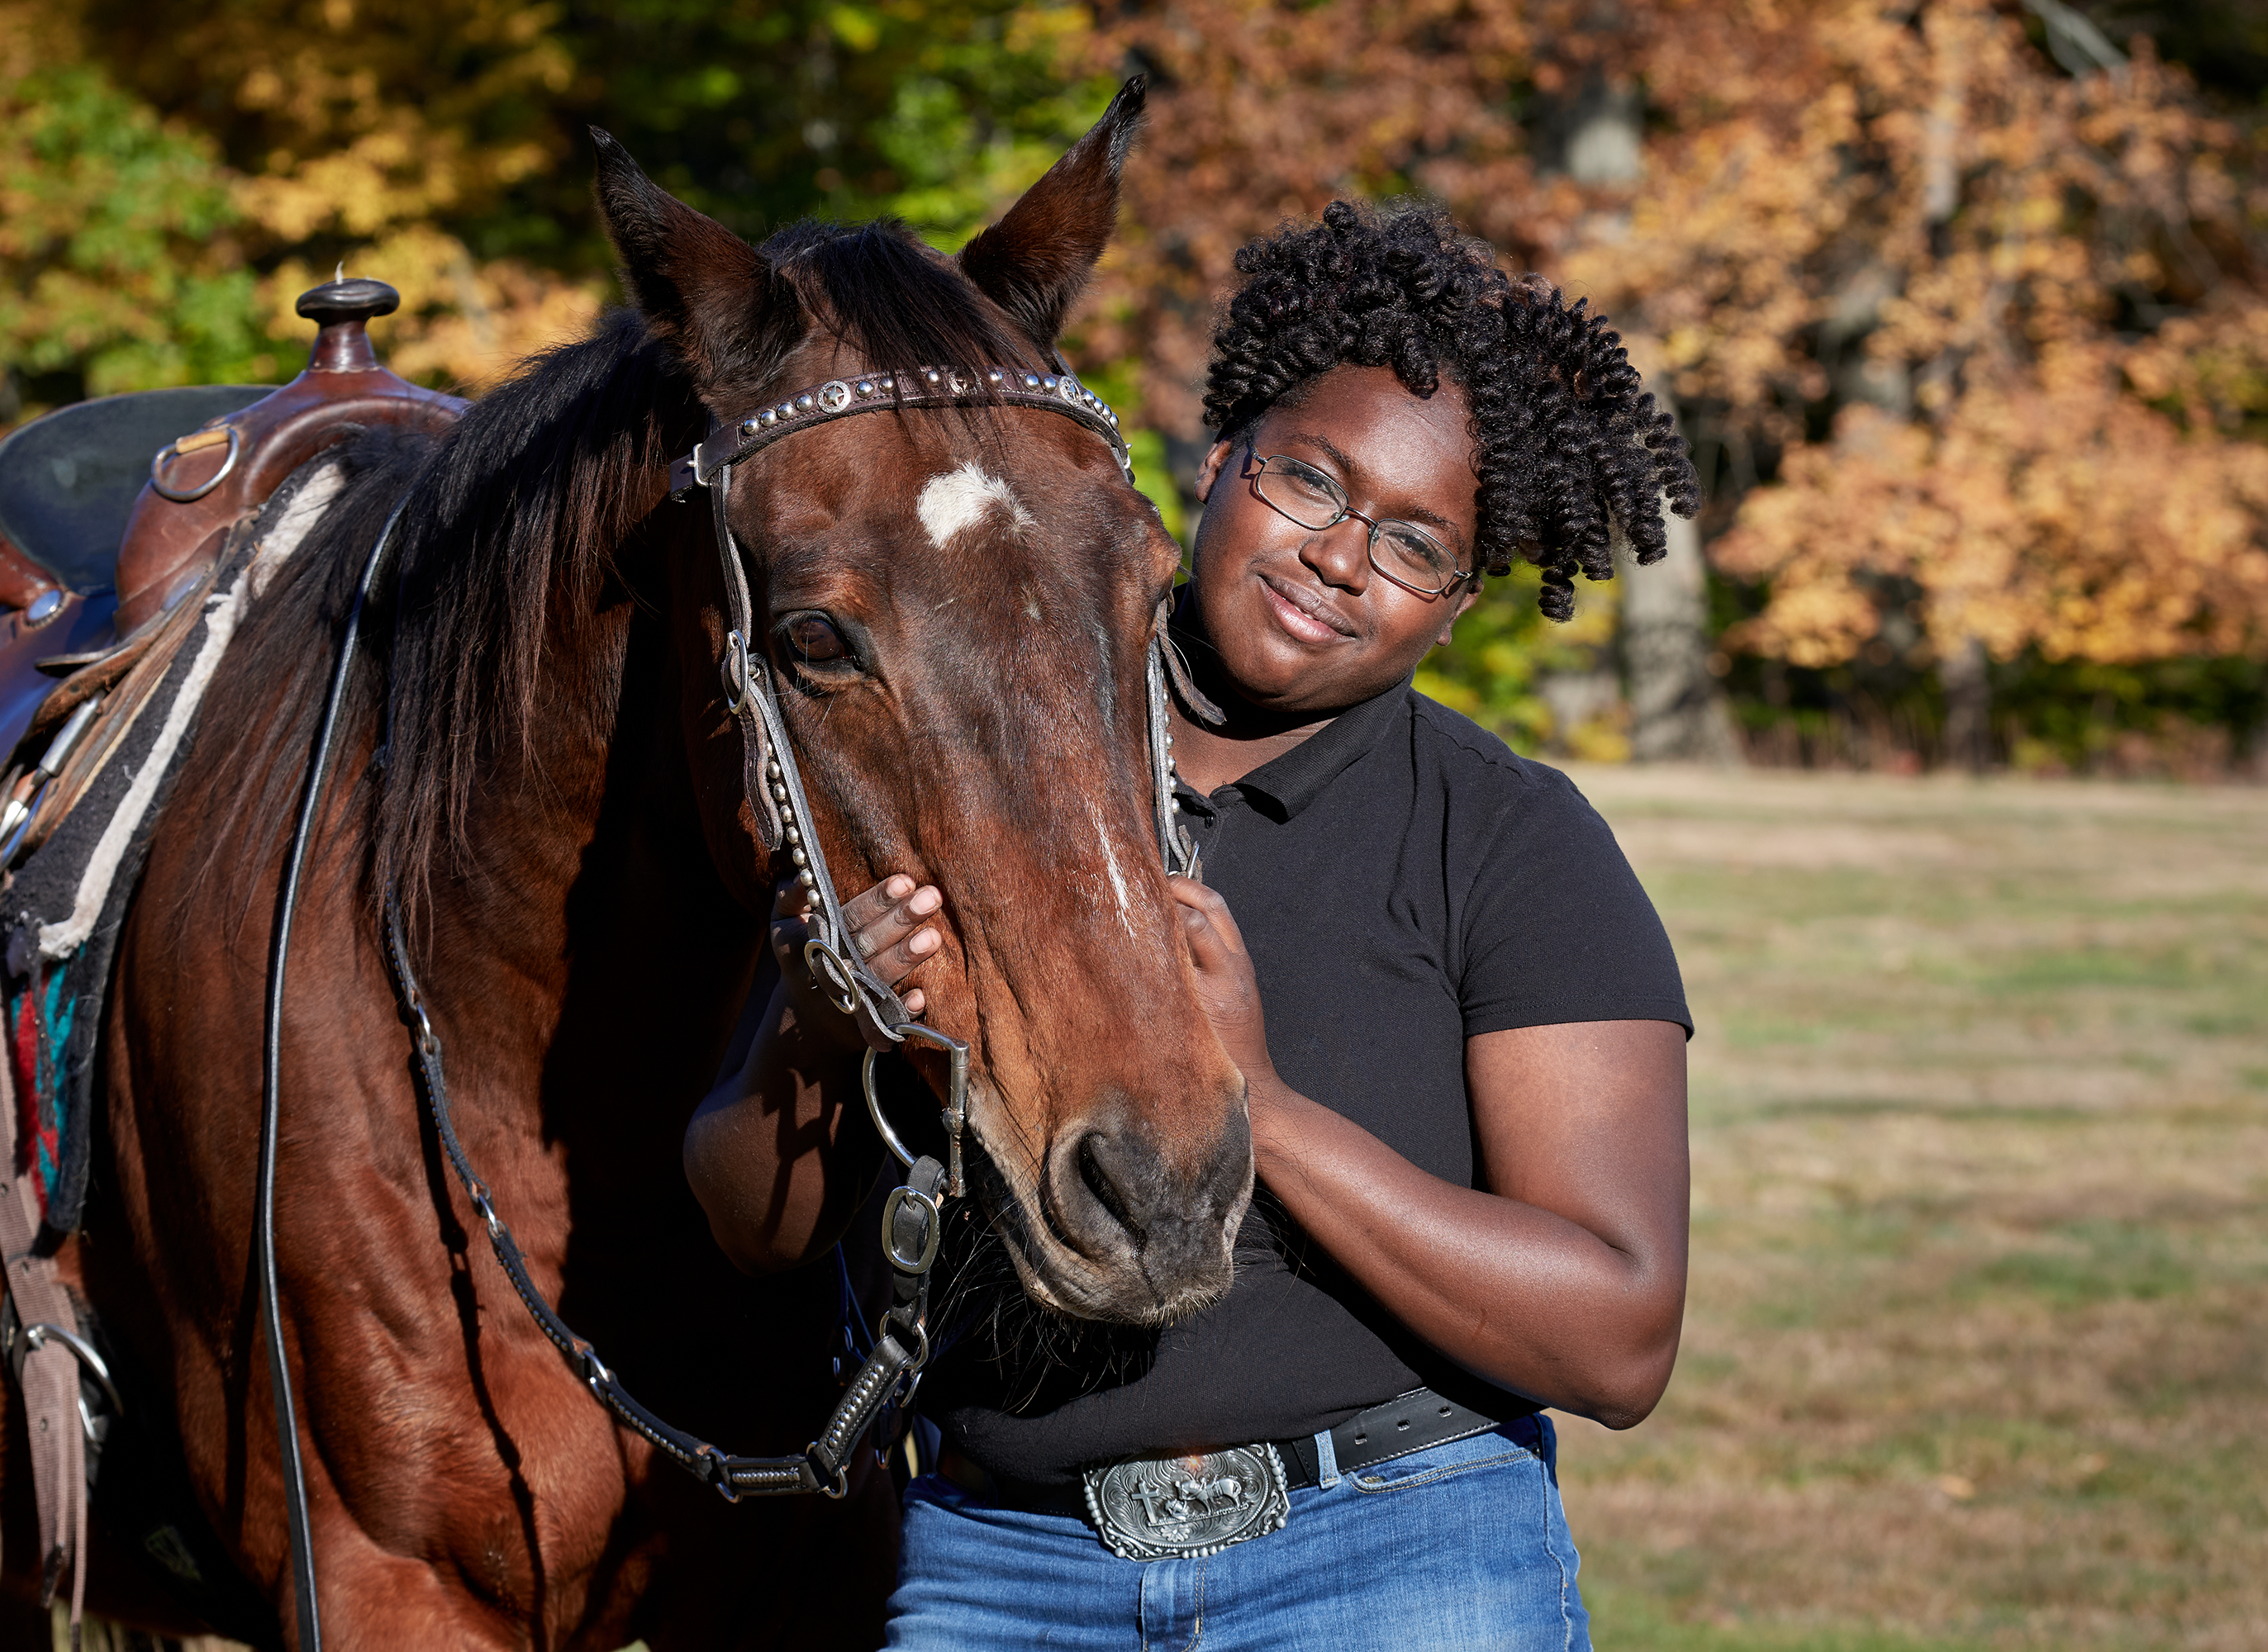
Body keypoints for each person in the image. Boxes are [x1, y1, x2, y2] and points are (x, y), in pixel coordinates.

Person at [685, 199, 1699, 1650]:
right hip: (1004, 1567)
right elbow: (749, 1228)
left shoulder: (1509, 843)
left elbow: (1618, 1334)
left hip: (1397, 1552)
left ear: (1459, 606)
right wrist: (819, 1014)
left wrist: (1266, 1109)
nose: (1342, 556)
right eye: (1311, 482)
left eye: (1415, 546)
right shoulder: (943, 741)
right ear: (1217, 462)